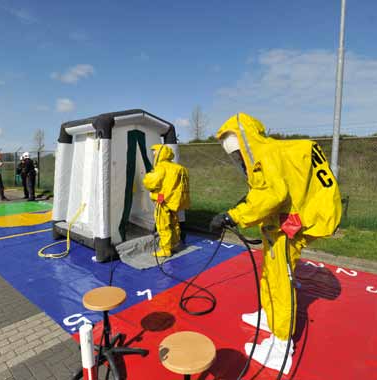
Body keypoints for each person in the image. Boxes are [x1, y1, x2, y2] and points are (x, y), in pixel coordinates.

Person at [209, 113, 341, 375]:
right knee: (271, 272)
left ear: (245, 142)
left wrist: (232, 215)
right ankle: (269, 315)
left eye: (237, 155)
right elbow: (275, 188)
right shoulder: (275, 150)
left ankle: (281, 346)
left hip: (289, 226)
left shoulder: (264, 156)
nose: (239, 162)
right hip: (290, 221)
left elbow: (273, 194)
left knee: (281, 281)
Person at [143, 144, 190, 257]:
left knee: (163, 224)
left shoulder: (161, 167)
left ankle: (165, 249)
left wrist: (148, 176)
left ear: (160, 153)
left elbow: (151, 182)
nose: (153, 154)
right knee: (174, 223)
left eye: (155, 151)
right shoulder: (179, 168)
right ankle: (174, 244)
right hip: (174, 201)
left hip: (162, 199)